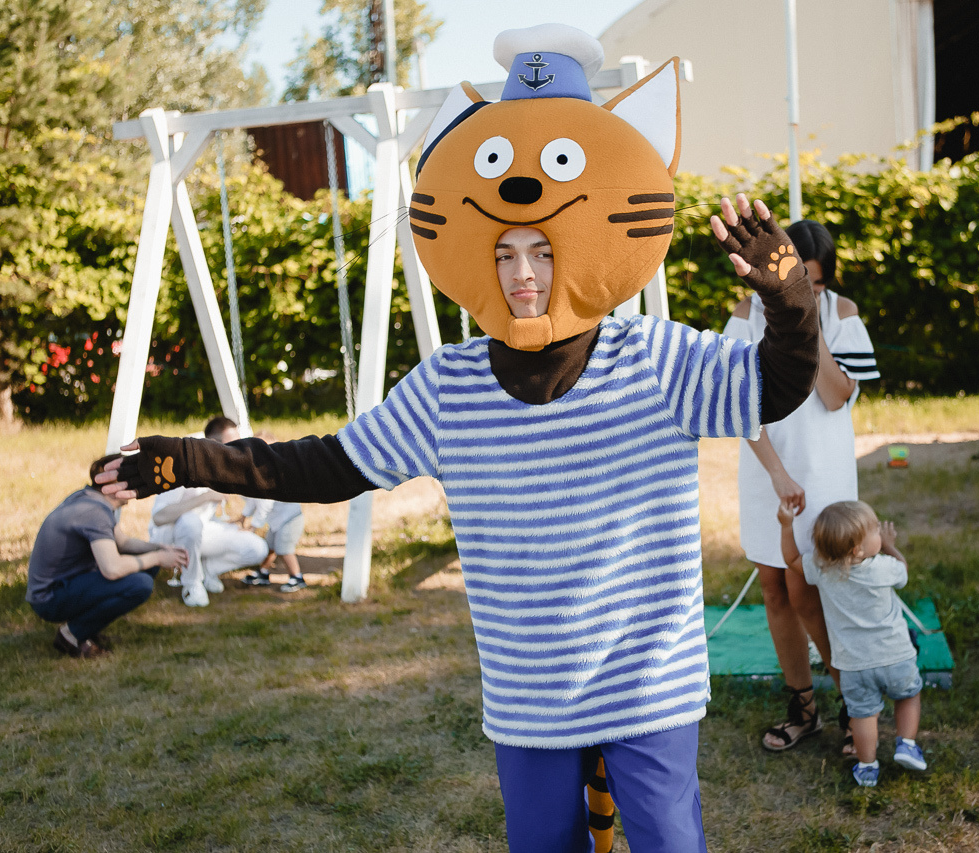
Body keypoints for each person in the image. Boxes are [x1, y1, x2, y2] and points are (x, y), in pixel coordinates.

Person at [98, 25, 820, 853]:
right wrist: (180, 457)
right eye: (506, 250)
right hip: (531, 693)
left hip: (646, 680)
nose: (522, 273)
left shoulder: (652, 358)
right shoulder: (453, 383)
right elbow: (328, 463)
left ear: (580, 244)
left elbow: (773, 385)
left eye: (544, 250)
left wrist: (789, 295)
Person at [723, 219, 880, 753]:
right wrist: (775, 472)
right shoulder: (744, 318)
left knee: (812, 588)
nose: (807, 293)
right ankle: (803, 707)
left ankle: (853, 701)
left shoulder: (842, 315)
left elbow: (837, 396)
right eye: (797, 282)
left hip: (825, 471)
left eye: (814, 285)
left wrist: (802, 323)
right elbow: (740, 407)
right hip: (770, 469)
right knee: (774, 587)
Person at [787, 500, 927, 787]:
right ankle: (907, 744)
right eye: (876, 530)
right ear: (857, 550)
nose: (880, 532)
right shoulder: (883, 568)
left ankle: (866, 765)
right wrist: (890, 545)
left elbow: (791, 560)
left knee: (862, 715)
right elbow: (904, 570)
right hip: (896, 656)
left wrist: (784, 524)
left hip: (852, 666)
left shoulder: (822, 570)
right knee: (908, 695)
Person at [27, 454, 189, 658]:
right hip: (49, 597)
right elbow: (112, 569)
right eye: (134, 478)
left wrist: (159, 548)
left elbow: (123, 543)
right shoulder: (94, 512)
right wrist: (158, 558)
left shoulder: (88, 498)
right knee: (140, 584)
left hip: (64, 583)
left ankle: (87, 629)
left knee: (147, 565)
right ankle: (71, 634)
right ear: (113, 485)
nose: (139, 484)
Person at [147, 416, 268, 607]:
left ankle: (207, 570)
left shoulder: (223, 466)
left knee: (257, 548)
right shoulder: (181, 466)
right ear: (212, 444)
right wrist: (205, 497)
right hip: (169, 536)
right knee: (190, 522)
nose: (237, 449)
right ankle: (192, 583)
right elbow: (159, 517)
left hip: (202, 531)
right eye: (232, 444)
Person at [238, 435, 309, 593]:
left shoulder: (272, 474)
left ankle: (297, 577)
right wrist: (243, 516)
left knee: (284, 549)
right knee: (269, 547)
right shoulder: (259, 472)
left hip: (290, 520)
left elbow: (265, 504)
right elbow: (253, 500)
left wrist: (253, 527)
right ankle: (263, 573)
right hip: (278, 521)